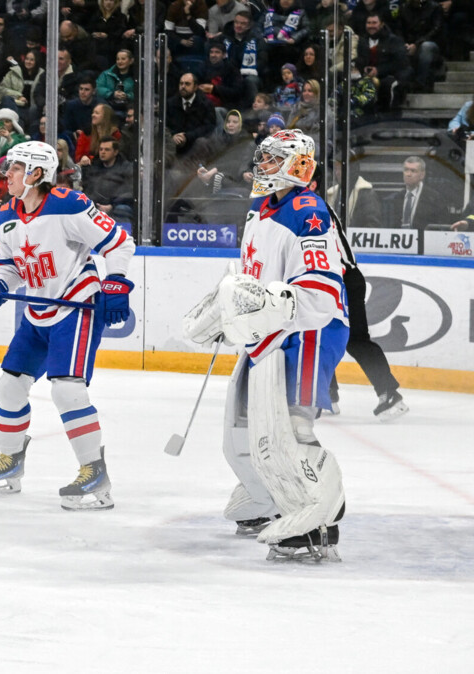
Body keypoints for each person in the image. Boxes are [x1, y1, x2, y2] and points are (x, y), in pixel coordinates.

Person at [183, 128, 347, 561]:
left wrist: (270, 305)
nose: (262, 167)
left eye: (273, 160)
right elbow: (251, 279)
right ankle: (267, 494)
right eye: (263, 158)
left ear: (298, 166)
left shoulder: (308, 211)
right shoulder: (261, 211)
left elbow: (321, 293)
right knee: (240, 431)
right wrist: (229, 310)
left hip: (310, 331)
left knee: (292, 429)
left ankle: (318, 516)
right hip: (270, 332)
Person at [0, 140, 135, 512]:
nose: (6, 174)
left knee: (66, 390)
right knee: (9, 386)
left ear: (36, 174)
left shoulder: (68, 205)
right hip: (38, 310)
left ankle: (94, 471)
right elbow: (8, 267)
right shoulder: (6, 215)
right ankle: (11, 463)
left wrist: (116, 281)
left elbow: (119, 243)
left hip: (75, 305)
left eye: (14, 168)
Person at [316, 168, 409, 421]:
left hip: (343, 280)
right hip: (334, 279)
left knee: (355, 340)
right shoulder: (312, 204)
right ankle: (327, 395)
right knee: (318, 334)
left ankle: (390, 394)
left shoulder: (313, 208)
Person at [385, 156, 449, 228]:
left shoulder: (435, 198)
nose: (408, 174)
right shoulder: (397, 197)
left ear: (422, 175)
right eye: (406, 170)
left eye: (413, 171)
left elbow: (442, 227)